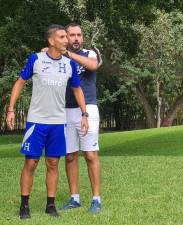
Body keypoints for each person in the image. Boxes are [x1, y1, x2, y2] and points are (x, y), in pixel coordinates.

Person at [6, 24, 88, 219]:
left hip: (58, 123)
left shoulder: (70, 65)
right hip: (36, 122)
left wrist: (84, 114)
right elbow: (19, 82)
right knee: (31, 163)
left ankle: (50, 206)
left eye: (66, 37)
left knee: (53, 163)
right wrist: (10, 109)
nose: (67, 40)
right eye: (62, 37)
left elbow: (77, 89)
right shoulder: (36, 59)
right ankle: (24, 205)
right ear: (51, 41)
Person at [60, 22, 102, 213]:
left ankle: (96, 199)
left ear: (82, 38)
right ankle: (74, 198)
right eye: (72, 35)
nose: (76, 38)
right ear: (65, 37)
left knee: (90, 155)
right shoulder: (57, 57)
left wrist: (68, 55)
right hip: (66, 110)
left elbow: (93, 66)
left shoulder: (89, 54)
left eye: (79, 35)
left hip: (89, 109)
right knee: (70, 156)